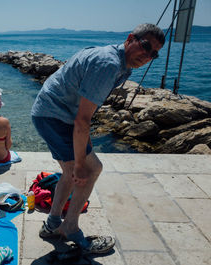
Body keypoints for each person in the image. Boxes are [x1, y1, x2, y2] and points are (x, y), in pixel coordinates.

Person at [31, 23, 164, 254]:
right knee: (89, 170)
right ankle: (69, 228)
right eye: (145, 46)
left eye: (154, 54)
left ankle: (52, 225)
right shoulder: (109, 64)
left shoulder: (118, 61)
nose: (148, 56)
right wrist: (81, 165)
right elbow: (83, 120)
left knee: (69, 172)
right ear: (130, 38)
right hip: (56, 116)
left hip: (51, 111)